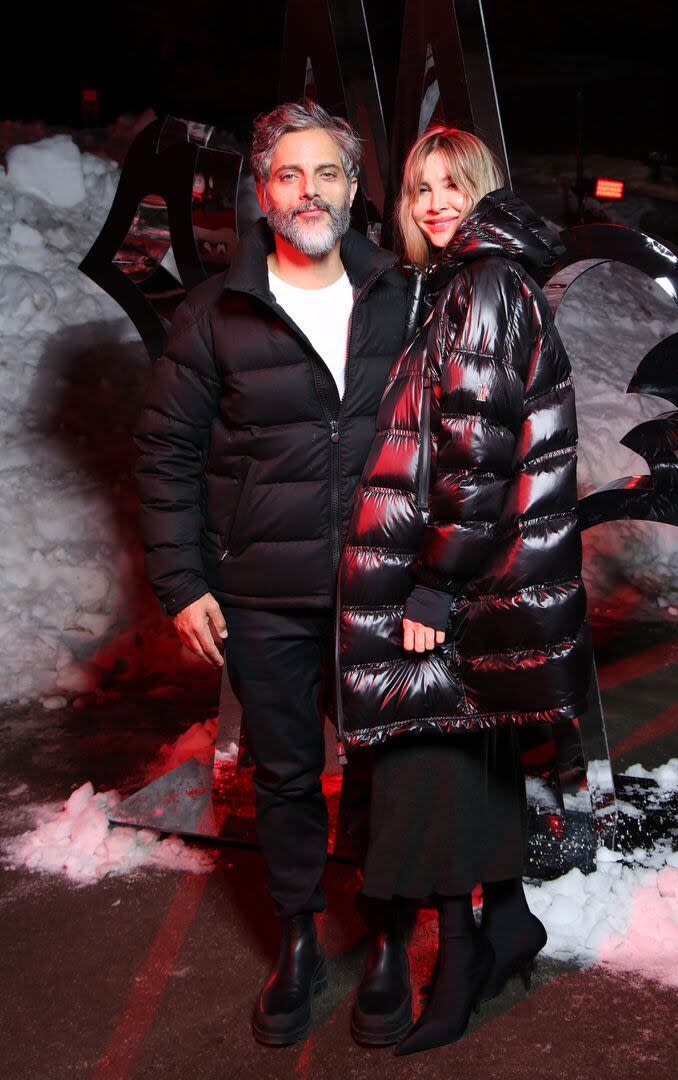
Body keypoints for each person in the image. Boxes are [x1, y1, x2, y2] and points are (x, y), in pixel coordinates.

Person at [133, 99, 409, 1047]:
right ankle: (297, 938)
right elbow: (166, 452)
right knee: (287, 775)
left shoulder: (401, 296)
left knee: (384, 765)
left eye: (326, 172)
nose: (309, 191)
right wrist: (183, 581)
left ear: (353, 187)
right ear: (261, 192)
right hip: (264, 595)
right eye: (288, 175)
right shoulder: (218, 311)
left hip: (381, 590)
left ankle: (381, 935)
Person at [336, 127, 592, 1054]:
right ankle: (505, 922)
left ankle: (465, 956)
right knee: (461, 752)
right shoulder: (473, 281)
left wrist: (435, 587)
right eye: (419, 190)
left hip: (460, 577)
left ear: (485, 190)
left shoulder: (481, 285)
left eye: (454, 186)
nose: (435, 204)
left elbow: (475, 456)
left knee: (428, 756)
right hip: (485, 578)